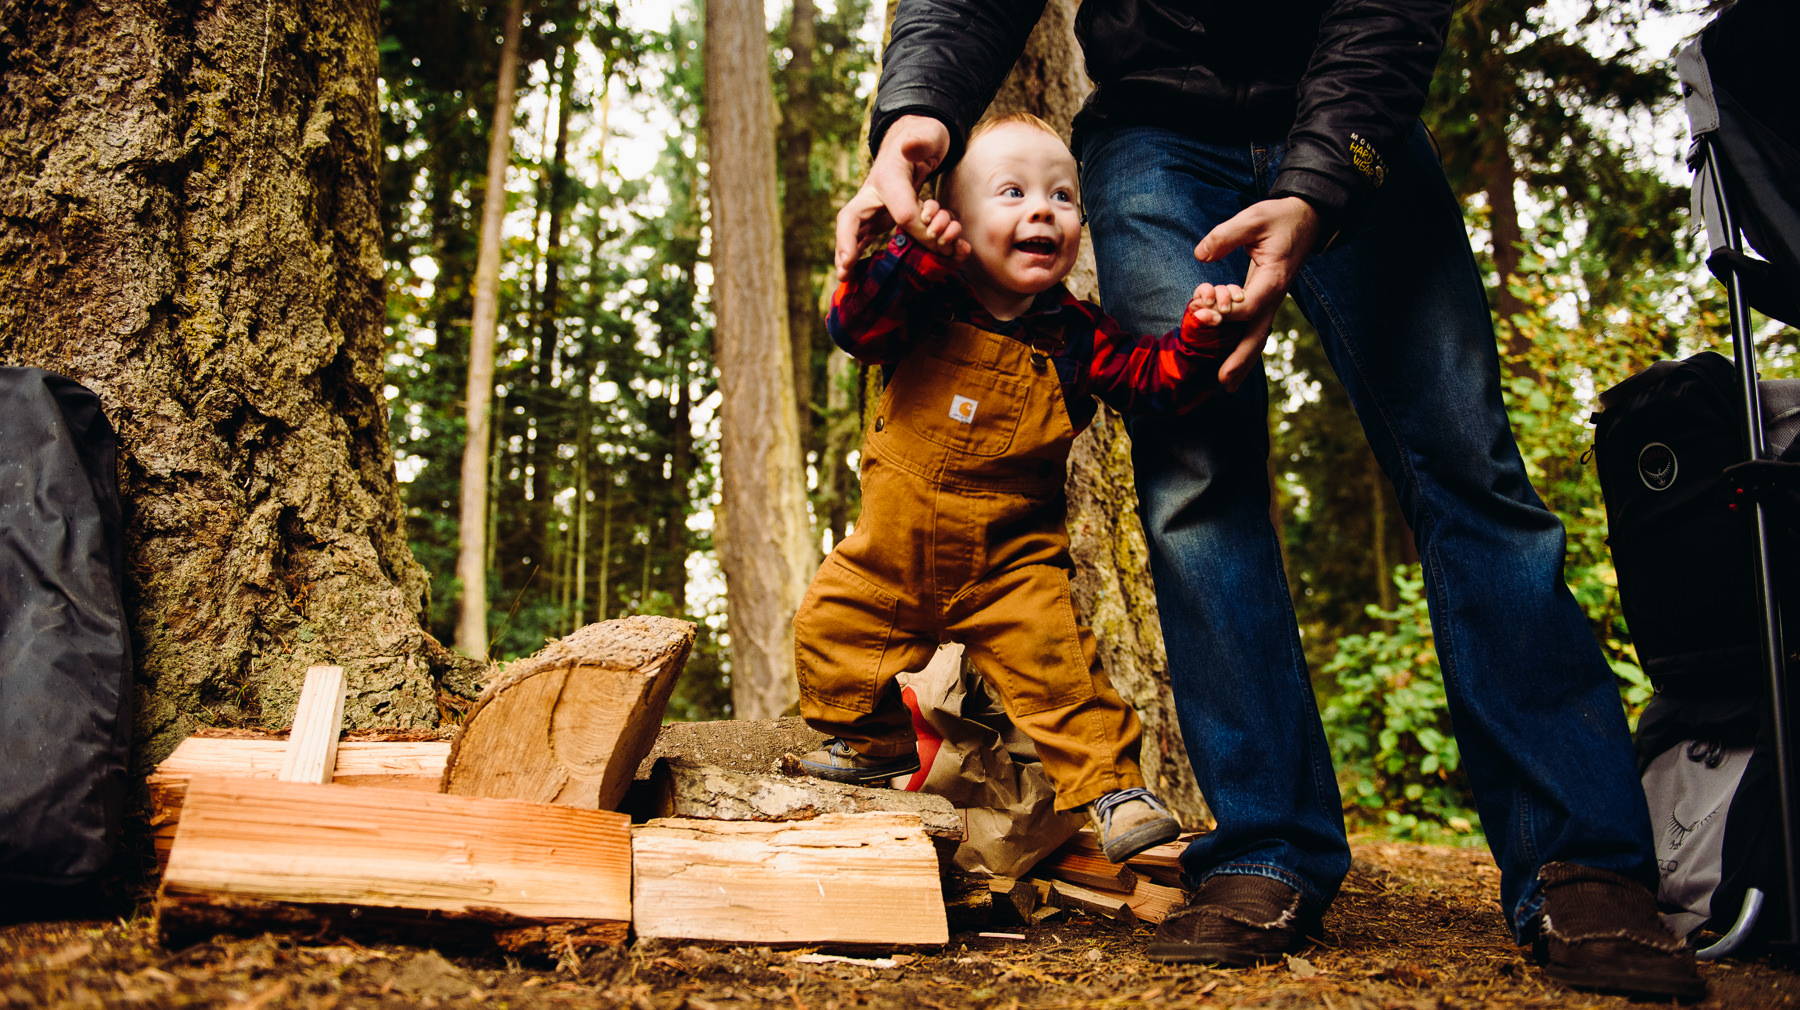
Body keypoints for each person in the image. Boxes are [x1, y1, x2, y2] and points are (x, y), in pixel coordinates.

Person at [831, 0, 1706, 1002]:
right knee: (1195, 484)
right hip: (1153, 132)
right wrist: (916, 109)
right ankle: (1266, 849)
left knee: (1468, 470)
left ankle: (1581, 859)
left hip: (1352, 110)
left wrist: (1323, 175)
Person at [794, 112, 1242, 864]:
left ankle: (1115, 793)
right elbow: (854, 326)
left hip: (1012, 568)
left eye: (1063, 197)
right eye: (1012, 192)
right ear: (957, 220)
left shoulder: (1077, 334)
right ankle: (874, 742)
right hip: (890, 557)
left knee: (1063, 676)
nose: (1044, 209)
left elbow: (1150, 388)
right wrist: (911, 252)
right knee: (828, 632)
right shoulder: (922, 298)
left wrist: (1195, 338)